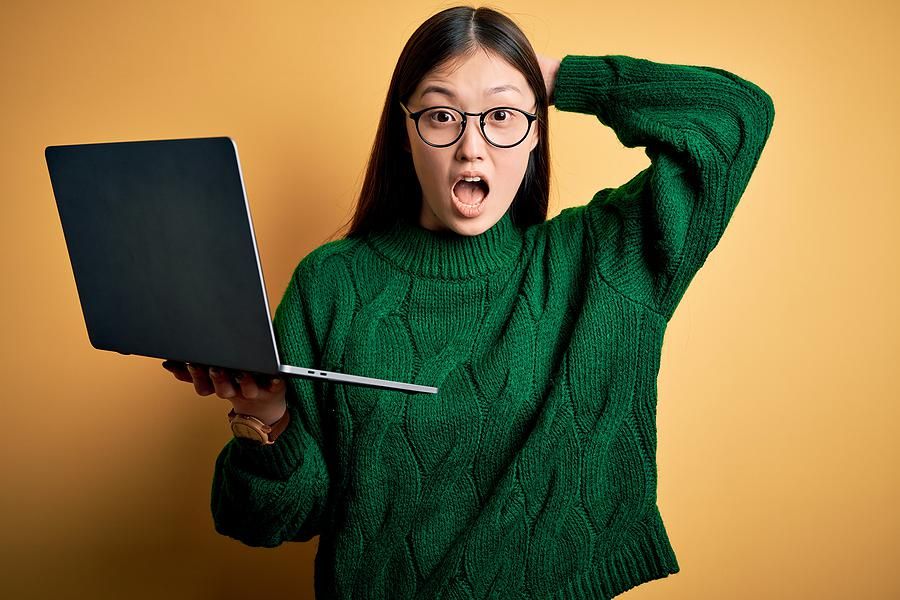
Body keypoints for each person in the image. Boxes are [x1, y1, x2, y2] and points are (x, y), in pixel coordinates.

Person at [162, 5, 774, 599]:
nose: (472, 148)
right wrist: (266, 414)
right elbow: (267, 521)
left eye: (503, 117)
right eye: (441, 116)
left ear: (537, 133)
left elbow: (735, 115)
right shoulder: (332, 286)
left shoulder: (602, 263)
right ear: (405, 134)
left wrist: (554, 76)